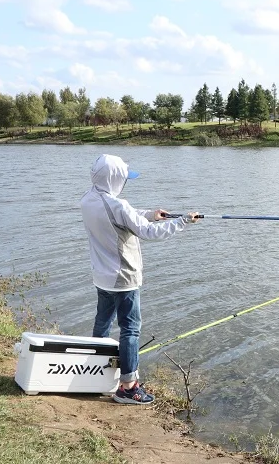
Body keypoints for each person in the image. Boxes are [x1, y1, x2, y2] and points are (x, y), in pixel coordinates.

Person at [80, 154, 200, 405]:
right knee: (130, 330)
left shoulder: (89, 199)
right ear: (114, 179)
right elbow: (148, 233)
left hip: (101, 276)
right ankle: (128, 387)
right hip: (123, 277)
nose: (125, 183)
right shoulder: (118, 206)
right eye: (123, 178)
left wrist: (151, 213)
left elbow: (126, 216)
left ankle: (91, 374)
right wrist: (183, 222)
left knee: (102, 324)